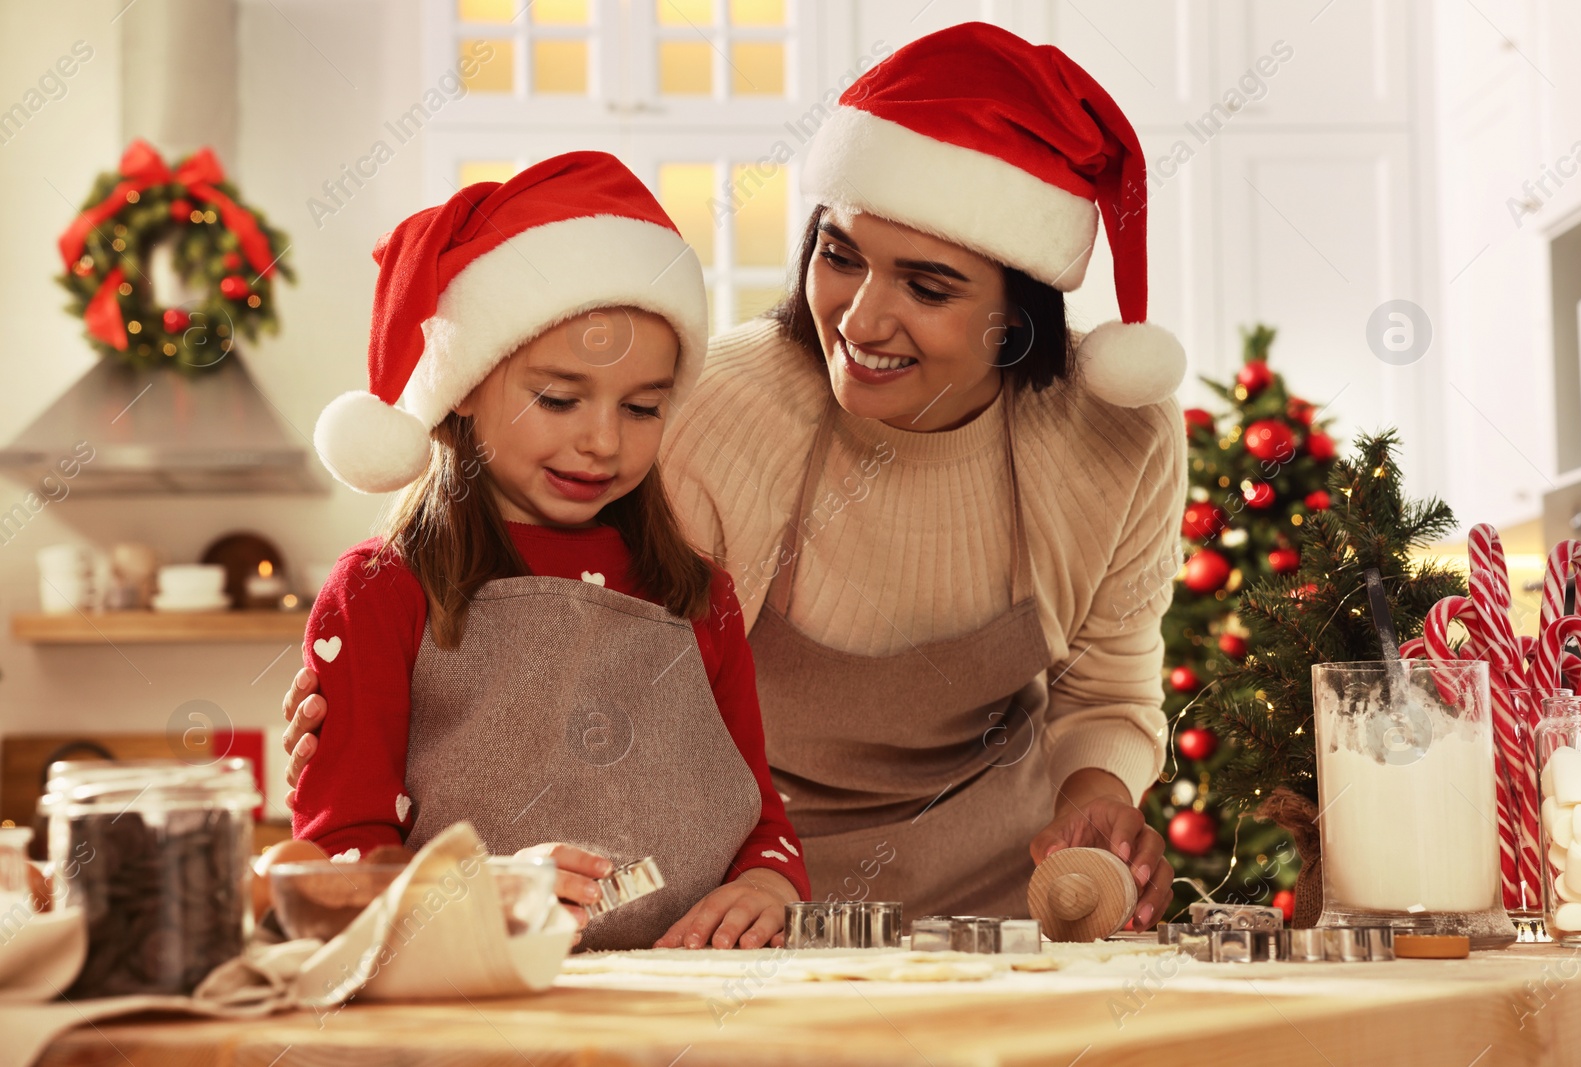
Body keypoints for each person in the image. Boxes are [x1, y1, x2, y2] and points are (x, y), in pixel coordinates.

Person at [286, 23, 1185, 929]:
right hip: (721, 926)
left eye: (929, 287)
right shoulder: (704, 407)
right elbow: (506, 612)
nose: (862, 319)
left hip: (996, 910)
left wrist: (1097, 794)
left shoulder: (1119, 435)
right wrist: (369, 683)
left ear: (1018, 313)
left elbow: (1109, 687)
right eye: (840, 255)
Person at [291, 152, 808, 952]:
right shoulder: (382, 591)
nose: (602, 440)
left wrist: (768, 883)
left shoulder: (702, 597)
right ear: (463, 383)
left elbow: (756, 817)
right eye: (559, 398)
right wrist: (472, 892)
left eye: (642, 407)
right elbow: (335, 859)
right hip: (480, 1015)